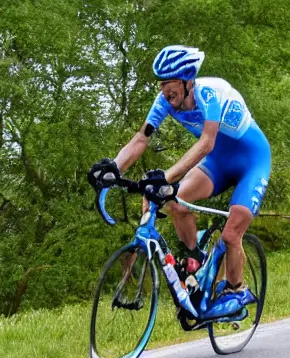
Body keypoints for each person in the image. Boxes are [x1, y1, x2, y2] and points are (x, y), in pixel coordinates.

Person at [91, 45, 269, 317]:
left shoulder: (209, 93)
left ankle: (237, 290)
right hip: (218, 163)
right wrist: (113, 167)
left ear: (187, 80)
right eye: (161, 84)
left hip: (252, 161)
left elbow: (207, 142)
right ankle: (196, 260)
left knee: (232, 234)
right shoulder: (163, 102)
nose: (164, 91)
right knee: (177, 204)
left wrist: (167, 176)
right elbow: (142, 138)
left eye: (170, 84)